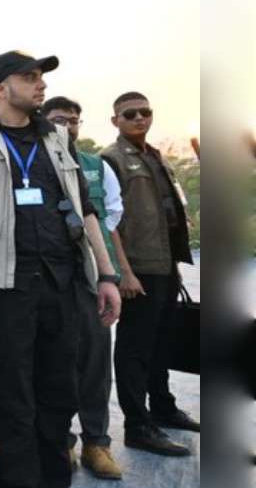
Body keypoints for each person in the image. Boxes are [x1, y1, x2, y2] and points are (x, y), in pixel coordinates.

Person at [0, 50, 122, 488]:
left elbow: (87, 210)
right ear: (0, 89)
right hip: (3, 292)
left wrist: (107, 274)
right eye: (29, 77)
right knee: (11, 403)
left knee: (59, 397)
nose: (41, 85)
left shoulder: (58, 141)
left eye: (41, 77)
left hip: (61, 287)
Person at [101, 91, 198, 457]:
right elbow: (110, 222)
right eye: (130, 114)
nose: (139, 118)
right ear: (116, 121)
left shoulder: (154, 155)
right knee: (134, 348)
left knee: (162, 342)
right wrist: (122, 272)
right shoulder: (112, 160)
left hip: (164, 263)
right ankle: (138, 426)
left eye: (145, 112)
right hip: (138, 268)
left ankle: (163, 407)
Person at [42, 96, 124, 479]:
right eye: (60, 120)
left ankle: (97, 443)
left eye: (74, 121)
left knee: (94, 363)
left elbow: (109, 217)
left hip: (89, 278)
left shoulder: (95, 165)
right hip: (46, 280)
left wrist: (111, 275)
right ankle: (62, 442)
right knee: (53, 366)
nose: (68, 127)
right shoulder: (32, 160)